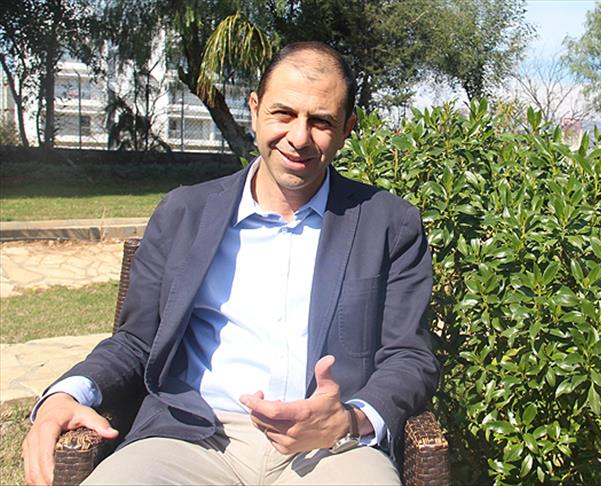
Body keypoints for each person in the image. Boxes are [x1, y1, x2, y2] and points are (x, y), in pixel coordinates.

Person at [23, 41, 439, 485]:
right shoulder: (184, 214)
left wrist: (350, 420)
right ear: (255, 110)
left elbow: (409, 357)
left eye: (321, 121)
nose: (299, 137)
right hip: (189, 437)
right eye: (283, 114)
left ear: (346, 130)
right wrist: (67, 393)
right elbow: (136, 341)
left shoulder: (388, 224)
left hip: (330, 450)